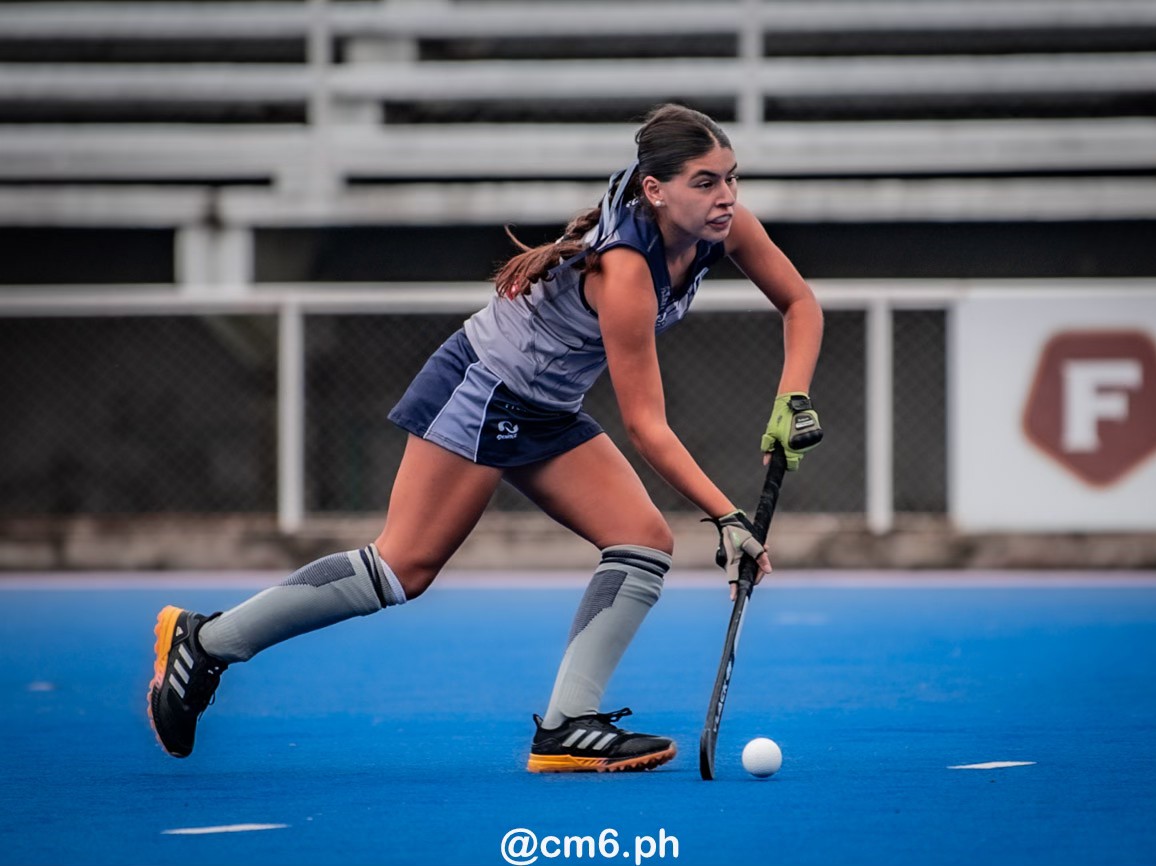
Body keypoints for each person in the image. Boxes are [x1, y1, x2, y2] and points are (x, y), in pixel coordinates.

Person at [147, 103, 824, 773]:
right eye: (705, 182)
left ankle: (566, 726)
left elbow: (799, 303)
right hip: (483, 388)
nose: (725, 196)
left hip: (548, 406)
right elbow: (647, 427)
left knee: (642, 539)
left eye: (731, 177)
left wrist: (790, 398)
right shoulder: (625, 271)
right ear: (655, 190)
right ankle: (206, 641)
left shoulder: (724, 226)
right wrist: (727, 516)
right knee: (402, 568)